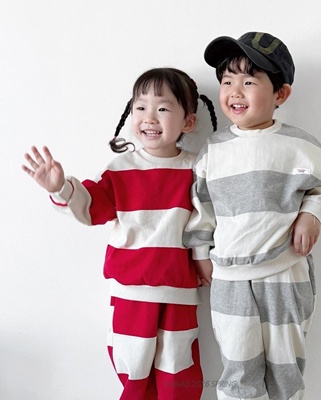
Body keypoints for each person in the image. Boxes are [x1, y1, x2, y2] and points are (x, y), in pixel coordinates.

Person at [22, 67, 217, 400]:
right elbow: (92, 207)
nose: (149, 117)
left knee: (179, 375)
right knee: (133, 372)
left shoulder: (197, 169)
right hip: (131, 294)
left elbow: (205, 221)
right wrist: (60, 188)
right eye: (140, 107)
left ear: (188, 122)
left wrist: (203, 260)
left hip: (178, 294)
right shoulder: (120, 169)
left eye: (163, 108)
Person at [183, 32, 321, 400]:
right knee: (238, 369)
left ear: (280, 94)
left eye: (249, 81)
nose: (234, 91)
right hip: (229, 278)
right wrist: (200, 253)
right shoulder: (213, 150)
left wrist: (311, 214)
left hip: (285, 273)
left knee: (285, 368)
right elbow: (202, 206)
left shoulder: (298, 144)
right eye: (227, 81)